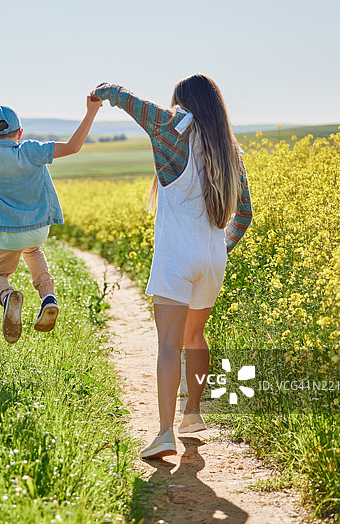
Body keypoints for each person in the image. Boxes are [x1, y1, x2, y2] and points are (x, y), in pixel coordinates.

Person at [90, 75, 252, 459]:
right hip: (213, 260)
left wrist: (100, 93)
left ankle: (165, 432)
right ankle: (193, 416)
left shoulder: (169, 126)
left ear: (184, 102)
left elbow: (126, 99)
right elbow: (243, 214)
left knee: (168, 344)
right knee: (195, 337)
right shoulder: (230, 150)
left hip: (176, 257)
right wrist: (221, 247)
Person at [0, 95, 102, 343]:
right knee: (33, 250)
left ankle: (7, 297)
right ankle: (48, 297)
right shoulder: (31, 151)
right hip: (37, 229)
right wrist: (91, 111)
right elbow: (73, 146)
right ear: (20, 132)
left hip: (5, 235)